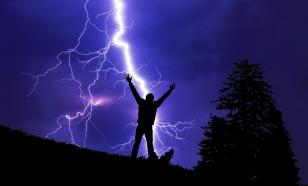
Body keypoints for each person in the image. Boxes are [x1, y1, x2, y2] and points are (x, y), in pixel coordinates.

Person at [125, 74, 176, 159]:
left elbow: (135, 93)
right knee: (149, 144)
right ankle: (151, 159)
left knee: (138, 143)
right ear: (152, 99)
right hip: (147, 126)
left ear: (146, 98)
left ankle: (133, 158)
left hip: (141, 125)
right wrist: (170, 90)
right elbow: (163, 98)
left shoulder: (142, 102)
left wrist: (130, 82)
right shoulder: (154, 104)